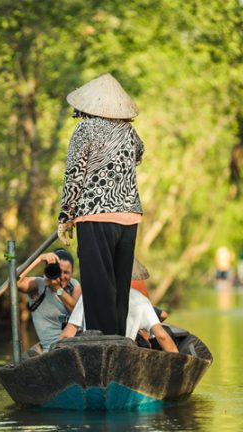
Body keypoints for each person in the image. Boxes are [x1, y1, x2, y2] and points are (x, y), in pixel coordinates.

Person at [56, 73, 143, 338]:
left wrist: (65, 216)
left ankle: (101, 340)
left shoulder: (84, 130)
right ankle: (117, 340)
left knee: (97, 286)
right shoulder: (130, 131)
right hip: (129, 217)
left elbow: (75, 174)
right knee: (119, 287)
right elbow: (139, 155)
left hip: (95, 216)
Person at [57, 258, 178, 353]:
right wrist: (180, 363)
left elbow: (68, 334)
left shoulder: (90, 294)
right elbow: (161, 336)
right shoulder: (140, 300)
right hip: (124, 354)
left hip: (92, 354)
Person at [16, 249, 82, 350]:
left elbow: (77, 312)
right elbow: (15, 282)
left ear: (72, 273)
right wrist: (39, 258)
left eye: (66, 272)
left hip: (78, 343)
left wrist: (57, 289)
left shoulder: (74, 285)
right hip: (52, 349)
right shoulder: (39, 285)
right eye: (59, 271)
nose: (62, 277)